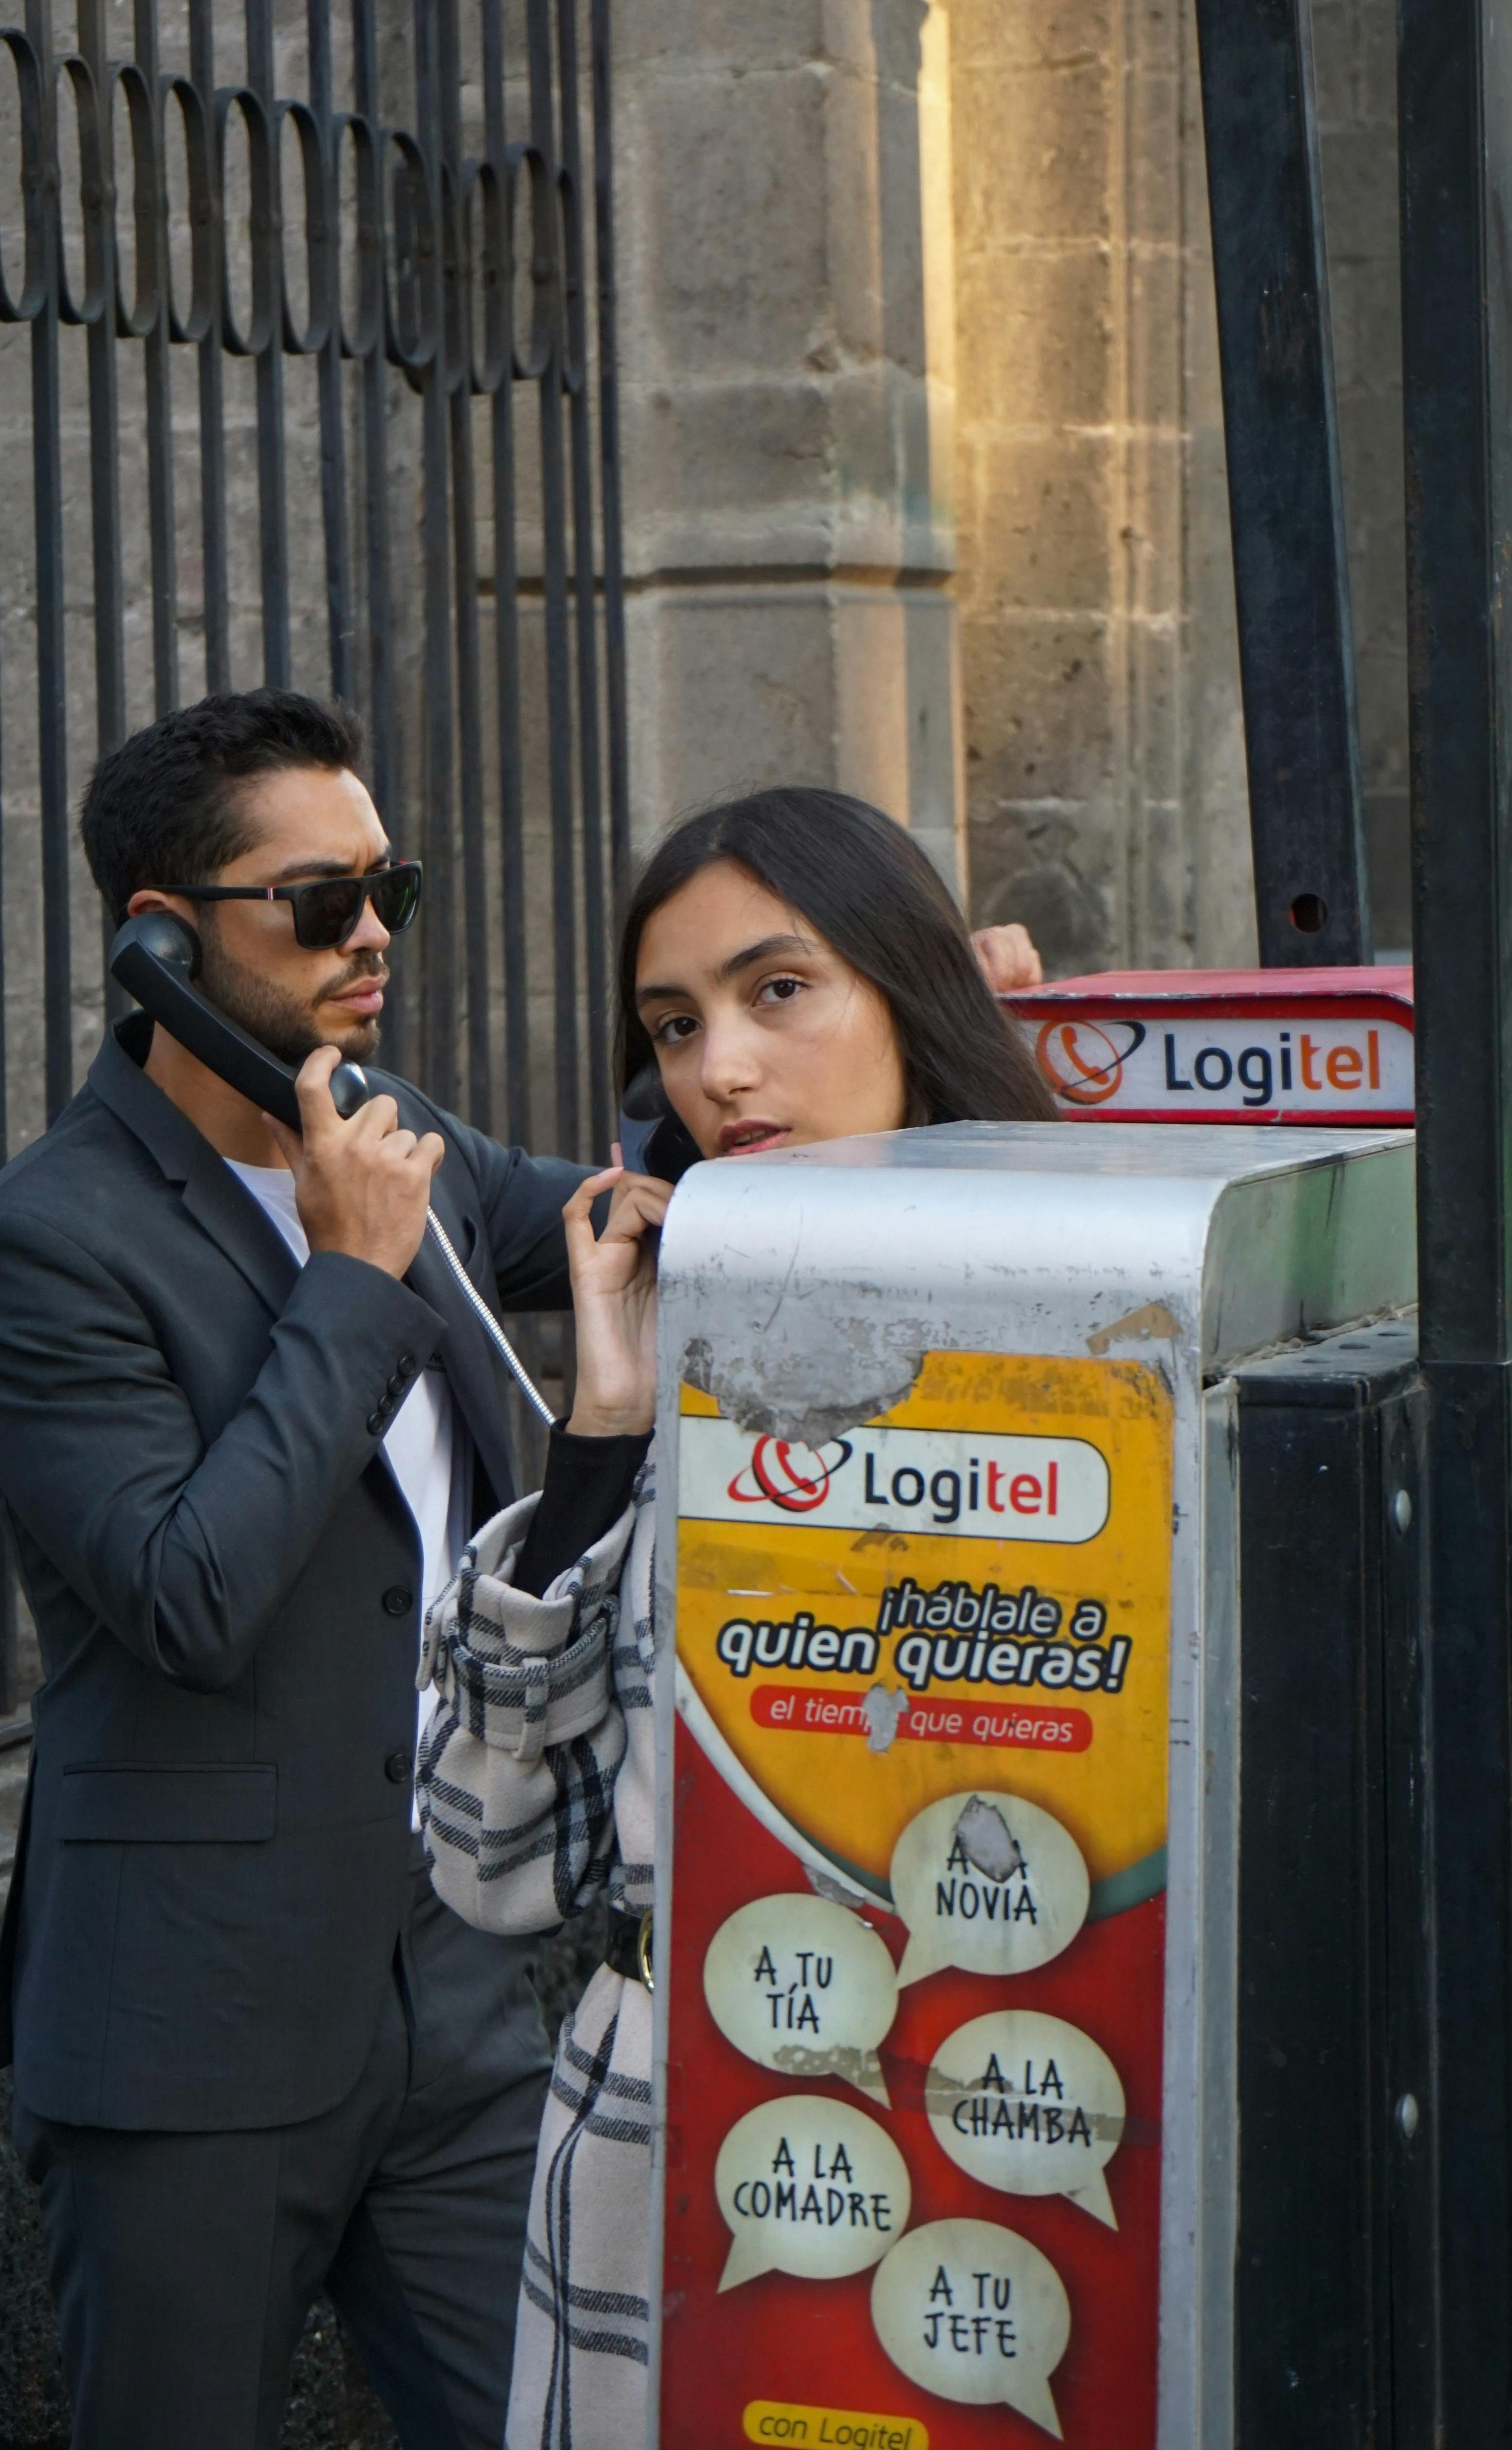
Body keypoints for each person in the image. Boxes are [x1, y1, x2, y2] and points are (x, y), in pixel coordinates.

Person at [415, 786, 1058, 2450]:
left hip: (1015, 2117)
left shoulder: (1103, 1322)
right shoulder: (689, 1368)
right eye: (675, 1024)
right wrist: (604, 1431)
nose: (722, 1069)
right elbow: (491, 1861)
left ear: (911, 989)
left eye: (781, 992)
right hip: (671, 2135)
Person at [0, 690, 604, 2450]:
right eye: (318, 901)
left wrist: (854, 1066)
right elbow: (189, 1595)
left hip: (455, 2003)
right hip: (191, 2031)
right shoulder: (53, 1238)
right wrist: (346, 1281)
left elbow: (611, 1219)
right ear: (164, 941)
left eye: (388, 895)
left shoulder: (388, 1126)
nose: (368, 944)